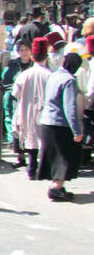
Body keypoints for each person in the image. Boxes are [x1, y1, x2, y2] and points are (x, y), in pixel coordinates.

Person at [39, 51, 85, 201]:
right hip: (60, 125)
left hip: (47, 122)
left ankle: (56, 185)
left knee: (54, 157)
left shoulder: (54, 75)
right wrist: (76, 131)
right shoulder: (69, 80)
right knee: (65, 157)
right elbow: (69, 107)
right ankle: (56, 188)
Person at [12, 39, 53, 181]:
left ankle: (31, 168)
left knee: (30, 137)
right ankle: (42, 169)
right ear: (46, 57)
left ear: (33, 57)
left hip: (26, 110)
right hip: (45, 112)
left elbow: (15, 93)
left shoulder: (23, 75)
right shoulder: (50, 75)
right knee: (42, 139)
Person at [2, 40, 34, 168]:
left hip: (31, 101)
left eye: (26, 49)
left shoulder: (34, 65)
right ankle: (20, 157)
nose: (24, 52)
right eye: (22, 50)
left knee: (31, 129)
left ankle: (32, 157)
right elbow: (6, 82)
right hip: (16, 100)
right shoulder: (13, 65)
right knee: (17, 128)